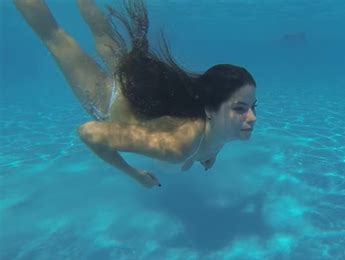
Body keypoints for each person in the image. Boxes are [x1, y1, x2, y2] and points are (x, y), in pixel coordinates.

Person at [14, 0, 258, 188]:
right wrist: (135, 175)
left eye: (253, 107)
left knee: (100, 33)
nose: (253, 117)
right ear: (209, 111)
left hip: (135, 79)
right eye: (240, 109)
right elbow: (89, 132)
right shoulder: (178, 146)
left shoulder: (219, 125)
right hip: (108, 101)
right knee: (54, 36)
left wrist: (211, 151)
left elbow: (214, 128)